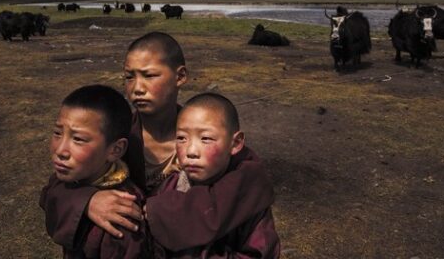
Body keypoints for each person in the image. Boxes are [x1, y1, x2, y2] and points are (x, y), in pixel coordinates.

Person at [41, 32, 274, 252]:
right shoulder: (116, 138)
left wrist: (157, 214)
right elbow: (55, 187)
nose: (137, 89)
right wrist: (88, 201)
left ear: (180, 76)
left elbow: (250, 184)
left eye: (149, 75)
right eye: (129, 77)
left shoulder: (209, 140)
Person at [146, 92, 280, 258]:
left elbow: (260, 252)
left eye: (206, 139)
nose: (191, 151)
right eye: (182, 138)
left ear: (236, 143)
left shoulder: (248, 195)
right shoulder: (170, 187)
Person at [39, 84, 149, 258]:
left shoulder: (121, 215)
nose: (60, 150)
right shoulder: (77, 177)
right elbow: (49, 193)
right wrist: (87, 201)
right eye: (57, 133)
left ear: (115, 150)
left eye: (78, 139)